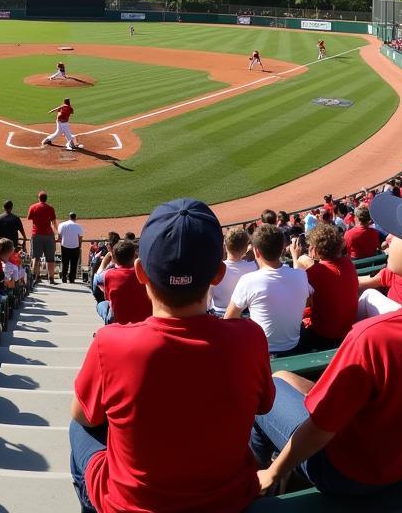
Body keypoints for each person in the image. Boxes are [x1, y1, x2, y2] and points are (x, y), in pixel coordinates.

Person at [251, 185, 402, 498]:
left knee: (266, 392)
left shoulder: (373, 337)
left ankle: (261, 480)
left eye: (396, 235)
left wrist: (274, 472)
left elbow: (319, 428)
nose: (388, 239)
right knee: (284, 377)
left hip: (348, 473)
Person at [70, 198, 274, 513]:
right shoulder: (250, 337)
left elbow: (84, 416)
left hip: (130, 505)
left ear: (140, 272)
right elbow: (265, 405)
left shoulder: (110, 344)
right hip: (228, 499)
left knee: (80, 425)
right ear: (218, 275)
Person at [225, 223, 311, 356]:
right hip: (296, 346)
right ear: (282, 249)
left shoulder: (248, 280)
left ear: (256, 251)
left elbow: (229, 319)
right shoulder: (301, 275)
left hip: (263, 352)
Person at [291, 224, 359, 350]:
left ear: (316, 250)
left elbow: (300, 298)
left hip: (325, 335)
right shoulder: (348, 263)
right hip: (348, 329)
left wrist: (295, 258)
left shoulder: (314, 273)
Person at [97, 239, 151, 325]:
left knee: (101, 305)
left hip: (118, 319)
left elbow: (97, 279)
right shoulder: (146, 274)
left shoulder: (108, 275)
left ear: (113, 258)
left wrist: (105, 260)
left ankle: (110, 327)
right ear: (135, 256)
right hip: (144, 319)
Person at [208, 227, 256, 315]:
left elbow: (208, 299)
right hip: (248, 314)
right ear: (246, 248)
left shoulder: (214, 270)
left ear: (225, 246)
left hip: (219, 315)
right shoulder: (254, 267)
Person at [28, 190, 59, 284]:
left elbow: (29, 217)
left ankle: (35, 278)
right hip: (49, 235)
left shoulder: (33, 207)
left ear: (39, 198)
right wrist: (57, 232)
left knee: (36, 258)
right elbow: (54, 222)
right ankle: (51, 279)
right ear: (46, 199)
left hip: (36, 234)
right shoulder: (50, 208)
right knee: (51, 259)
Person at [58, 211, 84, 283]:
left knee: (65, 262)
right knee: (74, 263)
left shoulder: (62, 225)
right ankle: (72, 279)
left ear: (69, 217)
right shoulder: (78, 226)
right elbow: (80, 238)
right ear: (75, 218)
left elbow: (59, 236)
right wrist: (79, 246)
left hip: (64, 246)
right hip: (75, 247)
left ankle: (64, 278)